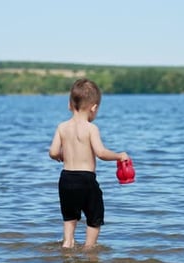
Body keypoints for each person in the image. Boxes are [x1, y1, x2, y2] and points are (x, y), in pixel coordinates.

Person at [49, 78, 129, 249]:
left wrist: (62, 156)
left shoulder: (62, 127)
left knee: (69, 217)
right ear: (94, 108)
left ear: (69, 105)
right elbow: (100, 153)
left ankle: (67, 244)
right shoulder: (91, 129)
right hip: (86, 180)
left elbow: (53, 152)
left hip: (66, 179)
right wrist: (119, 156)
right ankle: (89, 249)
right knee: (94, 216)